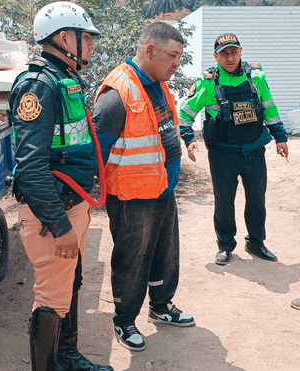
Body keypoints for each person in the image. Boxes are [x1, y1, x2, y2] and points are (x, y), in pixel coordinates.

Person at [7, 2, 112, 370]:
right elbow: (31, 168)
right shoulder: (38, 85)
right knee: (51, 297)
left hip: (73, 204)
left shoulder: (62, 78)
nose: (93, 46)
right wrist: (61, 224)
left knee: (72, 283)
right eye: (88, 39)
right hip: (54, 213)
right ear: (65, 37)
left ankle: (66, 357)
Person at [92, 22, 195, 352]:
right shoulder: (116, 94)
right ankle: (124, 320)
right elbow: (97, 153)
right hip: (131, 198)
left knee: (165, 252)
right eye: (172, 56)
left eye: (179, 57)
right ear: (150, 50)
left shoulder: (159, 84)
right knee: (132, 258)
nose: (176, 63)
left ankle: (161, 306)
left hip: (162, 190)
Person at [178, 33, 289, 266]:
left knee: (257, 199)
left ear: (241, 52)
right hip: (222, 153)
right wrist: (189, 140)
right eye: (224, 54)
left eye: (233, 52)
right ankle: (226, 245)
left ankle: (256, 242)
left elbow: (269, 108)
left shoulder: (256, 78)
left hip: (254, 150)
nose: (230, 58)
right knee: (224, 201)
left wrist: (280, 137)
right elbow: (185, 114)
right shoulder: (207, 83)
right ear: (215, 56)